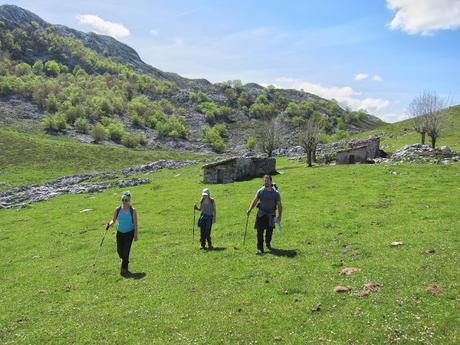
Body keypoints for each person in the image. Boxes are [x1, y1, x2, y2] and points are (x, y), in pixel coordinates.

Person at [247, 175, 282, 255]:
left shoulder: (276, 193)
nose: (266, 182)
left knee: (269, 232)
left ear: (271, 182)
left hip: (271, 215)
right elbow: (255, 200)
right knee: (259, 232)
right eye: (265, 181)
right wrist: (250, 209)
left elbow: (279, 205)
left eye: (267, 181)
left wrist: (279, 216)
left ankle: (268, 242)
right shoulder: (260, 191)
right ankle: (260, 249)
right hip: (261, 214)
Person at [106, 191, 138, 276]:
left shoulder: (133, 210)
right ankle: (125, 260)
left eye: (126, 200)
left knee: (126, 251)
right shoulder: (117, 209)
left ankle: (124, 268)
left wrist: (135, 234)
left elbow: (135, 223)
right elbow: (113, 220)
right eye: (123, 199)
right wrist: (109, 224)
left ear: (129, 200)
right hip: (119, 233)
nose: (124, 201)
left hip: (129, 233)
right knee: (119, 250)